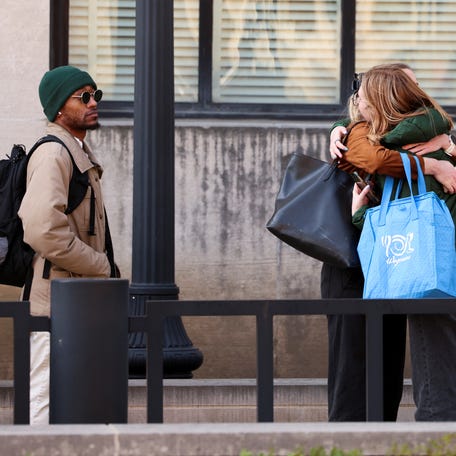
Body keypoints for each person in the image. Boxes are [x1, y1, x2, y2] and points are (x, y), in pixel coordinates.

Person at [323, 63, 456, 422]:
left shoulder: (385, 138)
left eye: (363, 96)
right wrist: (434, 162)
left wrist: (359, 214)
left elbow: (401, 217)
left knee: (422, 357)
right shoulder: (426, 132)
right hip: (416, 261)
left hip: (411, 263)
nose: (357, 101)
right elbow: (365, 154)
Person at [18, 65, 119, 424]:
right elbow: (42, 229)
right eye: (84, 97)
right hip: (53, 301)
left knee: (73, 395)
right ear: (60, 107)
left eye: (96, 95)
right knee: (44, 397)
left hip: (74, 297)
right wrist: (100, 265)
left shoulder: (76, 153)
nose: (94, 103)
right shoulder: (54, 155)